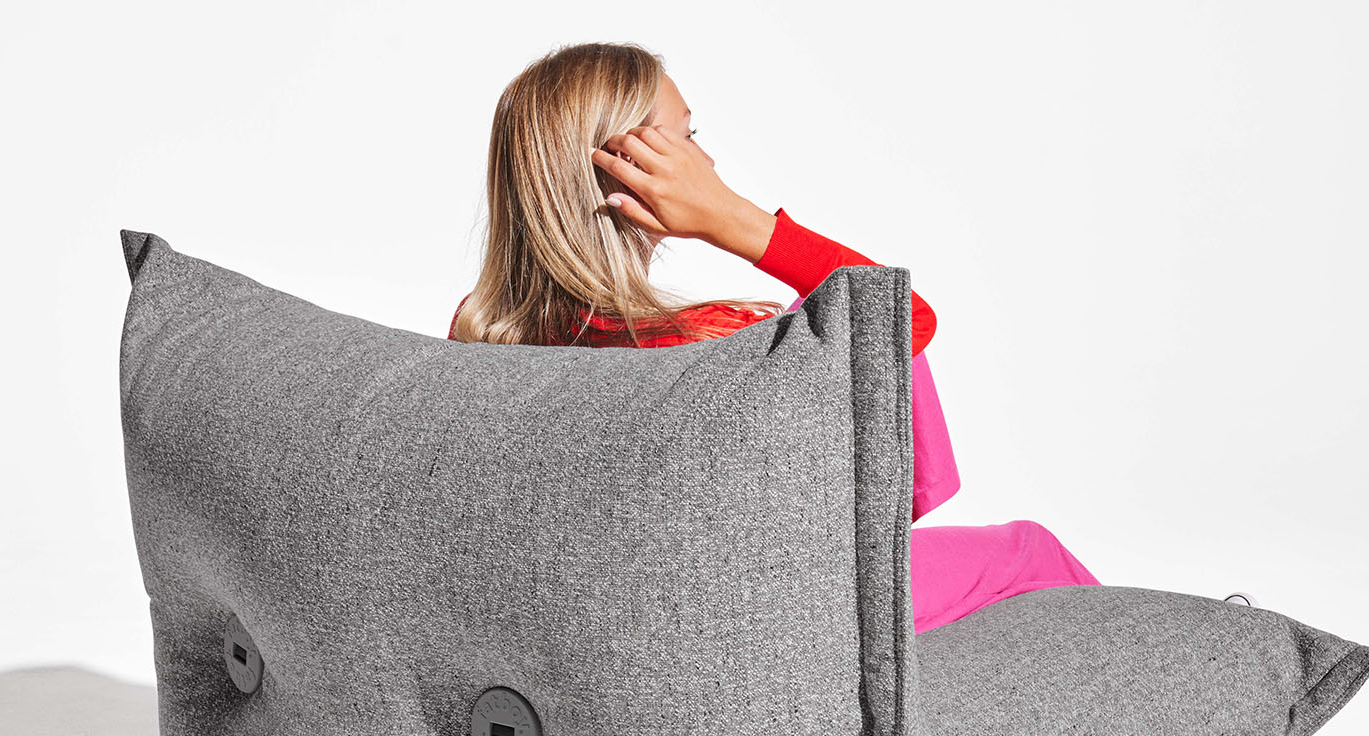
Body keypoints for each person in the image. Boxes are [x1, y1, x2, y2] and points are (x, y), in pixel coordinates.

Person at [447, 42, 1099, 633]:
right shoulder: (720, 347)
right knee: (1032, 550)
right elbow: (903, 320)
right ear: (635, 169)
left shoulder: (478, 334)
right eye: (687, 140)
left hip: (626, 613)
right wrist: (731, 217)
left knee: (828, 317)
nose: (707, 163)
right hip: (787, 605)